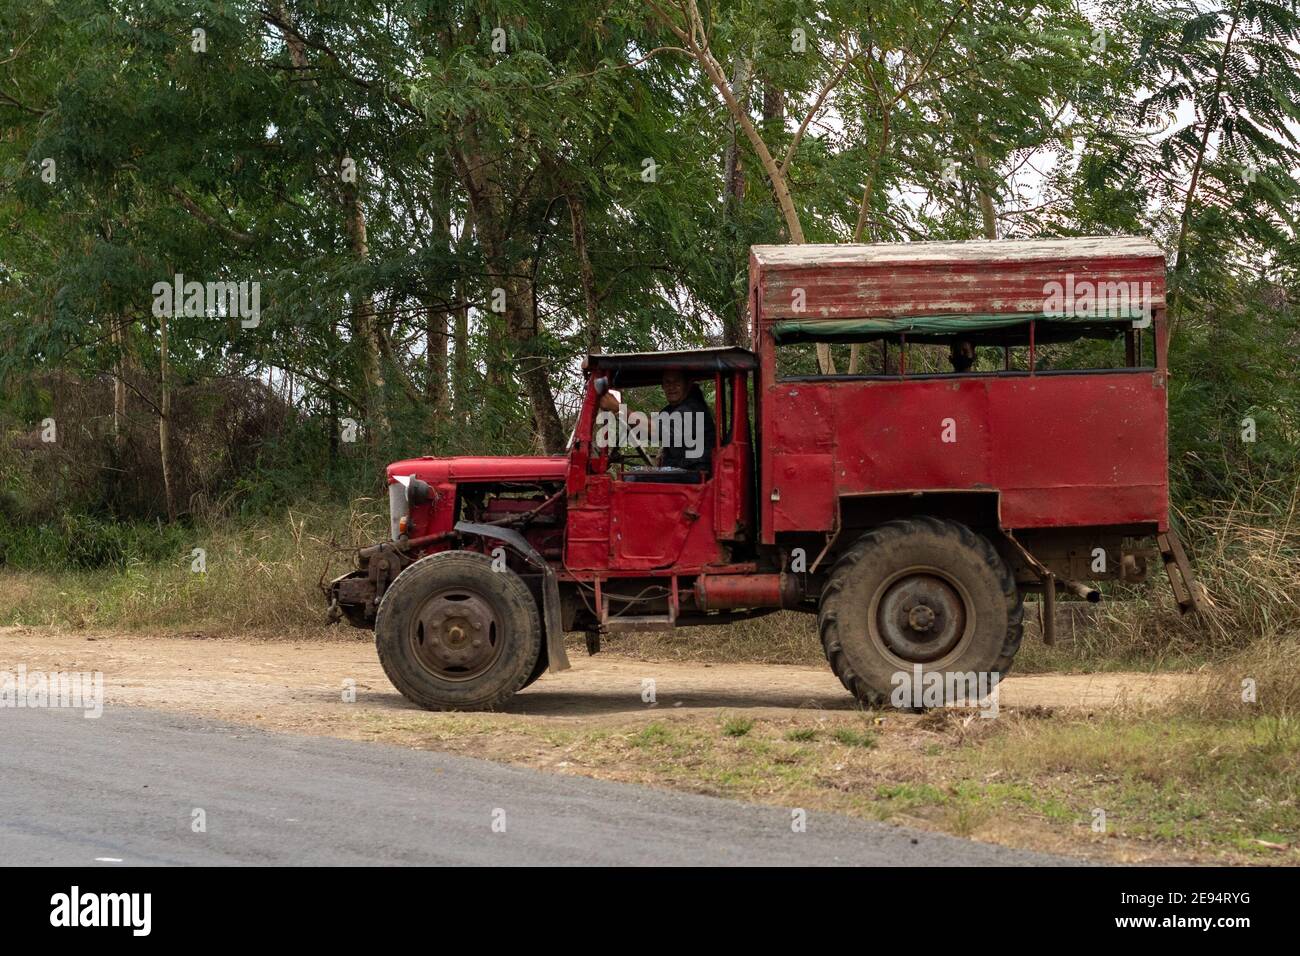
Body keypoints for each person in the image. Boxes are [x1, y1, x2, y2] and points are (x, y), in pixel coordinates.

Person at [598, 367, 716, 474]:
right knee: (633, 474)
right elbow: (646, 432)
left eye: (677, 382)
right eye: (667, 382)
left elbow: (656, 430)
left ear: (688, 384)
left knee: (631, 478)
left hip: (694, 473)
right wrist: (621, 414)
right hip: (684, 470)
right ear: (663, 386)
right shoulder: (671, 410)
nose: (671, 387)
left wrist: (620, 408)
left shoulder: (692, 409)